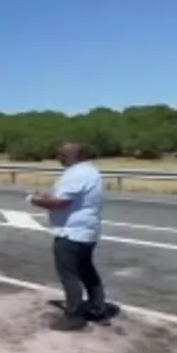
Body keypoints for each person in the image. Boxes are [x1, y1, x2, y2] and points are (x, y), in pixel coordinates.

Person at [28, 142, 116, 331]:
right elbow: (69, 198)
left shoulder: (76, 174)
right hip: (87, 231)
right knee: (87, 271)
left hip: (71, 231)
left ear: (78, 155)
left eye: (63, 154)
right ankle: (98, 309)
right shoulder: (90, 171)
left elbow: (61, 204)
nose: (58, 157)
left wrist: (35, 201)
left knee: (69, 274)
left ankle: (74, 315)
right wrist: (47, 195)